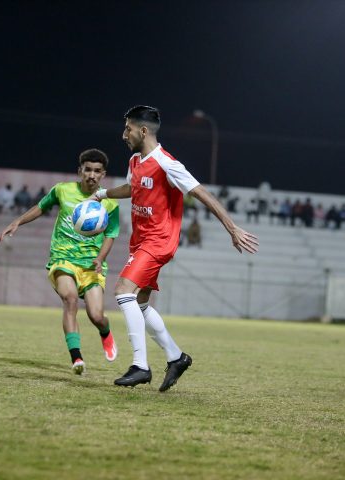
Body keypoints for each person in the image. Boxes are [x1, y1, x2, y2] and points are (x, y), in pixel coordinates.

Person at [91, 105, 258, 392]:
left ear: (143, 131)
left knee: (122, 291)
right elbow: (132, 188)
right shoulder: (135, 160)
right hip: (140, 239)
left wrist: (232, 228)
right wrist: (102, 194)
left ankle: (140, 366)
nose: (124, 134)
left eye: (128, 129)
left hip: (159, 240)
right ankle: (176, 357)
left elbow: (202, 193)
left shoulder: (167, 164)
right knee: (140, 304)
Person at [0, 148, 120, 374]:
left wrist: (100, 258)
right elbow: (41, 207)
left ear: (103, 174)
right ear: (80, 170)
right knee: (70, 299)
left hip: (91, 265)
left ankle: (105, 332)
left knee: (96, 316)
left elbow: (111, 235)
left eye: (97, 171)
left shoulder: (110, 203)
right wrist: (18, 221)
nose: (92, 175)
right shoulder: (62, 190)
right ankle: (76, 358)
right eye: (88, 170)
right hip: (62, 258)